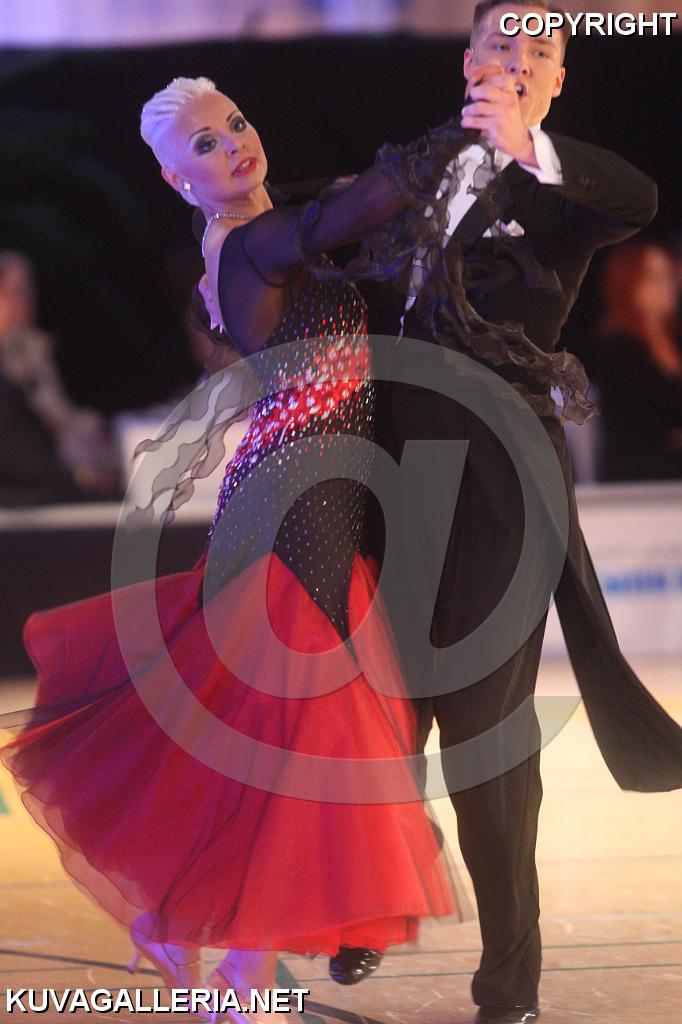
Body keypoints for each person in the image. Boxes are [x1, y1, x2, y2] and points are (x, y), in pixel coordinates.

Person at [0, 77, 475, 1024]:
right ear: (178, 182)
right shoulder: (258, 243)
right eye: (206, 146)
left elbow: (319, 199)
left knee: (272, 725)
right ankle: (242, 968)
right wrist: (472, 126)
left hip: (305, 486)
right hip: (296, 497)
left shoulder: (251, 222)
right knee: (295, 730)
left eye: (237, 124)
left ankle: (183, 927)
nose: (234, 145)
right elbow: (351, 208)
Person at [341, 3, 682, 1022]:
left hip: (499, 478)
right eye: (503, 43)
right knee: (377, 717)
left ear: (558, 81)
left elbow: (638, 196)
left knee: (483, 734)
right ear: (468, 59)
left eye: (542, 51)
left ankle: (508, 987)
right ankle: (371, 898)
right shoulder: (406, 172)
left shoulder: (563, 189)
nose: (519, 60)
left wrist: (527, 146)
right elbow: (321, 242)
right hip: (392, 472)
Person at [0, 250, 119, 505]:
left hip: (51, 478)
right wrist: (78, 476)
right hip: (25, 493)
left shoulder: (33, 351)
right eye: (16, 291)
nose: (27, 300)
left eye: (28, 290)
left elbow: (59, 415)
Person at [590, 241, 682, 481]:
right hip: (639, 467)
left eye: (669, 275)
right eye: (655, 277)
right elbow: (652, 411)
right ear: (629, 283)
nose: (667, 285)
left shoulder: (674, 341)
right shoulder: (618, 345)